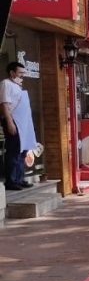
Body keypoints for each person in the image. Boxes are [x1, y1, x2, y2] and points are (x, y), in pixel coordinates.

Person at [0, 62, 37, 190]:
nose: (22, 76)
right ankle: (11, 180)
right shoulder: (6, 84)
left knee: (23, 151)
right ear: (12, 73)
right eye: (20, 73)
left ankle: (19, 178)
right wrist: (9, 122)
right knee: (14, 150)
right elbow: (4, 105)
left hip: (24, 122)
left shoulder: (18, 86)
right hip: (13, 120)